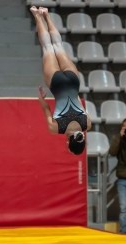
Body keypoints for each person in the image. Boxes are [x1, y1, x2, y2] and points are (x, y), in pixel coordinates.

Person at [30, 6, 91, 155]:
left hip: (73, 82)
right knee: (47, 47)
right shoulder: (56, 128)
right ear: (68, 142)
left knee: (58, 46)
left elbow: (79, 101)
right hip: (57, 85)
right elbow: (46, 109)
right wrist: (41, 99)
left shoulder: (87, 124)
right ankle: (36, 15)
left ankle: (46, 15)